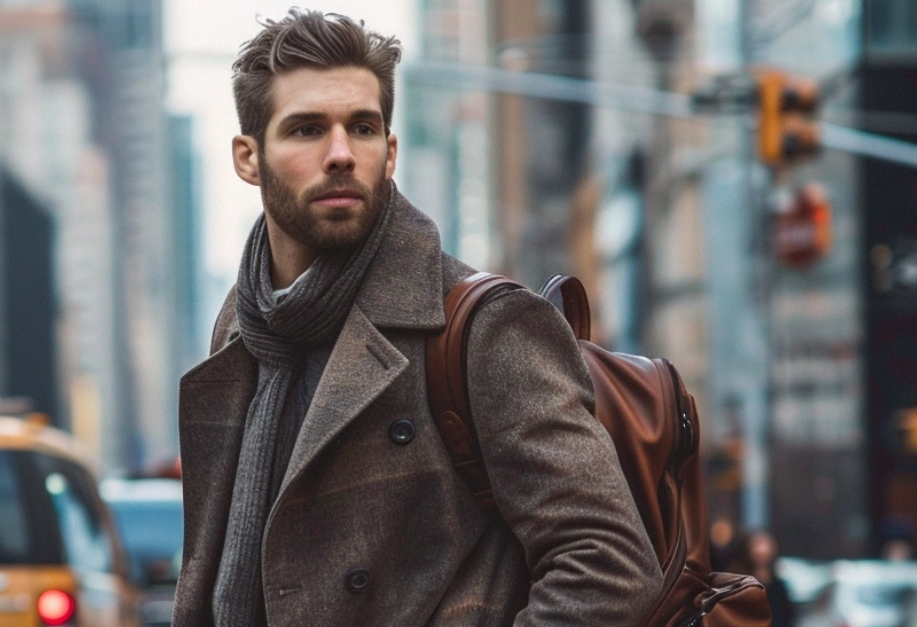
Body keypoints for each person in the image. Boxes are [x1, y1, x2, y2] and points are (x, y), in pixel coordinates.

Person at [173, 9, 661, 627]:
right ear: (248, 158)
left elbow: (610, 564)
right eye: (306, 130)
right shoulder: (243, 332)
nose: (342, 154)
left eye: (363, 127)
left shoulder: (481, 325)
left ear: (391, 150)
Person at [744, 529, 795, 627]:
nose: (761, 550)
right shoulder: (742, 585)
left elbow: (786, 616)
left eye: (765, 544)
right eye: (757, 544)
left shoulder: (779, 588)